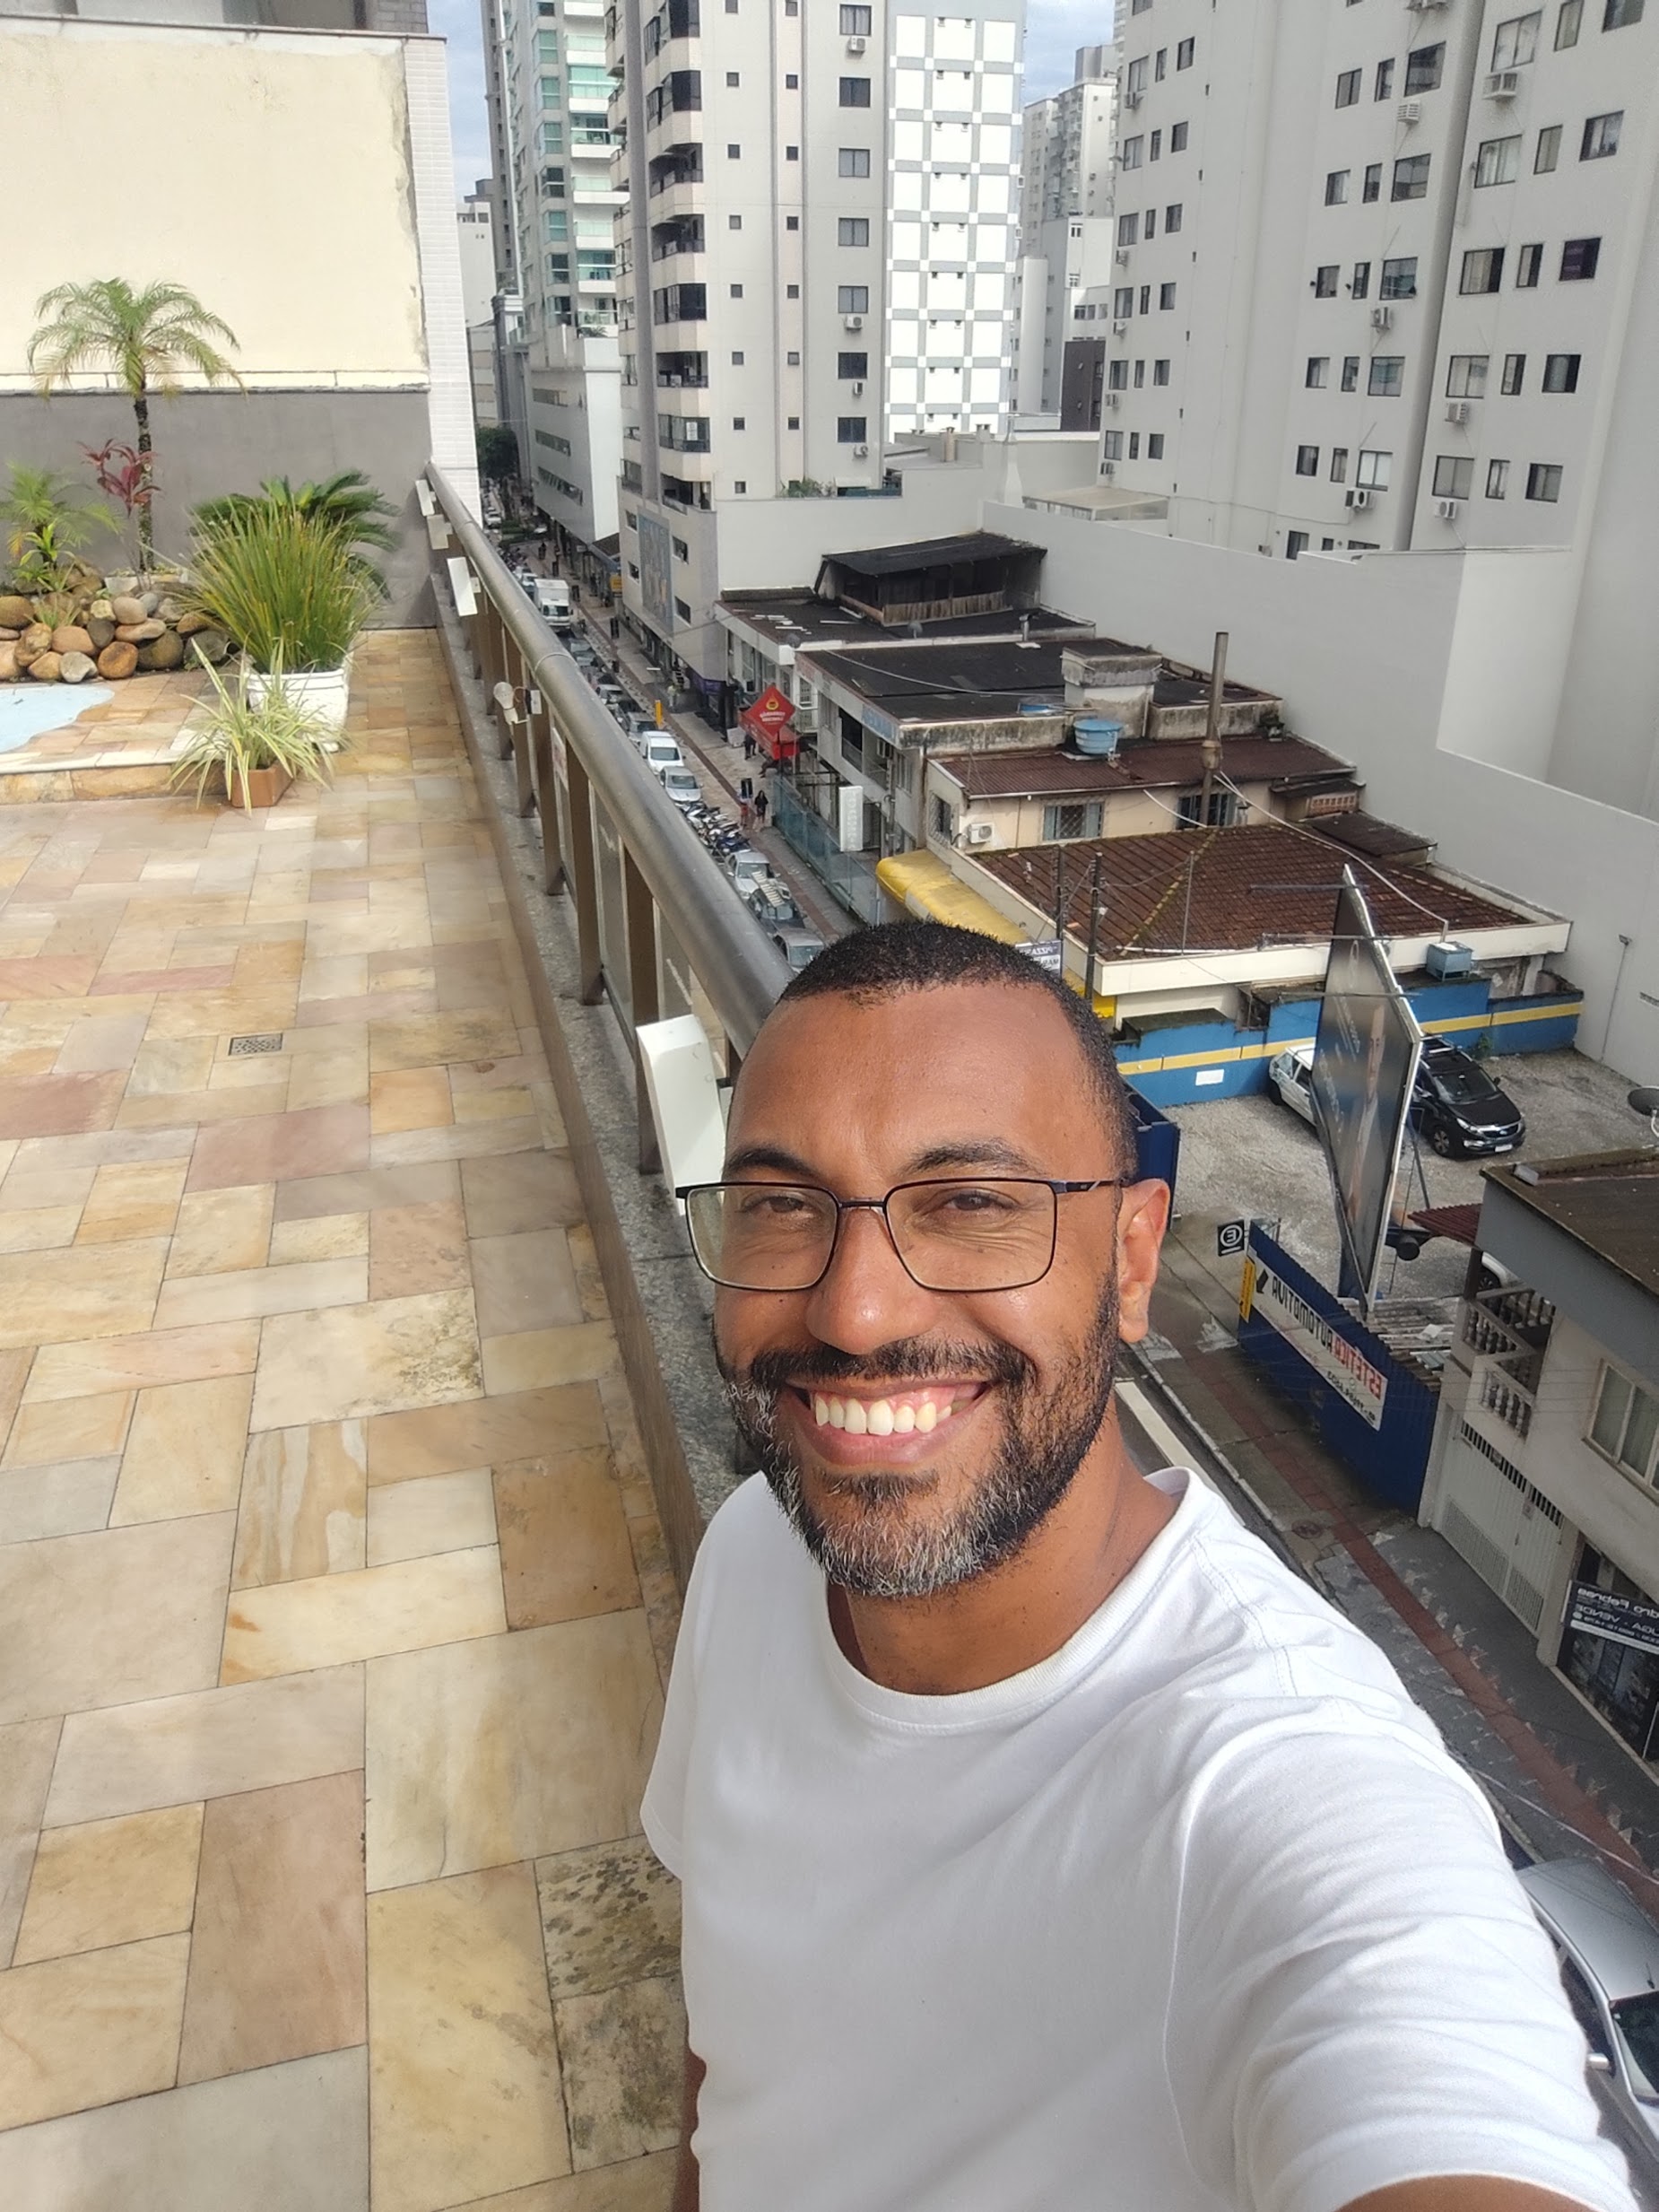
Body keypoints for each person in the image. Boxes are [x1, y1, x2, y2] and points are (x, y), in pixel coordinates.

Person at [647, 920, 1636, 2212]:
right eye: (783, 1207)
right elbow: (731, 2052)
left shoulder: (1271, 1786)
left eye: (971, 1205)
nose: (855, 1310)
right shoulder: (752, 1550)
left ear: (1128, 1260)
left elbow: (1424, 2073)